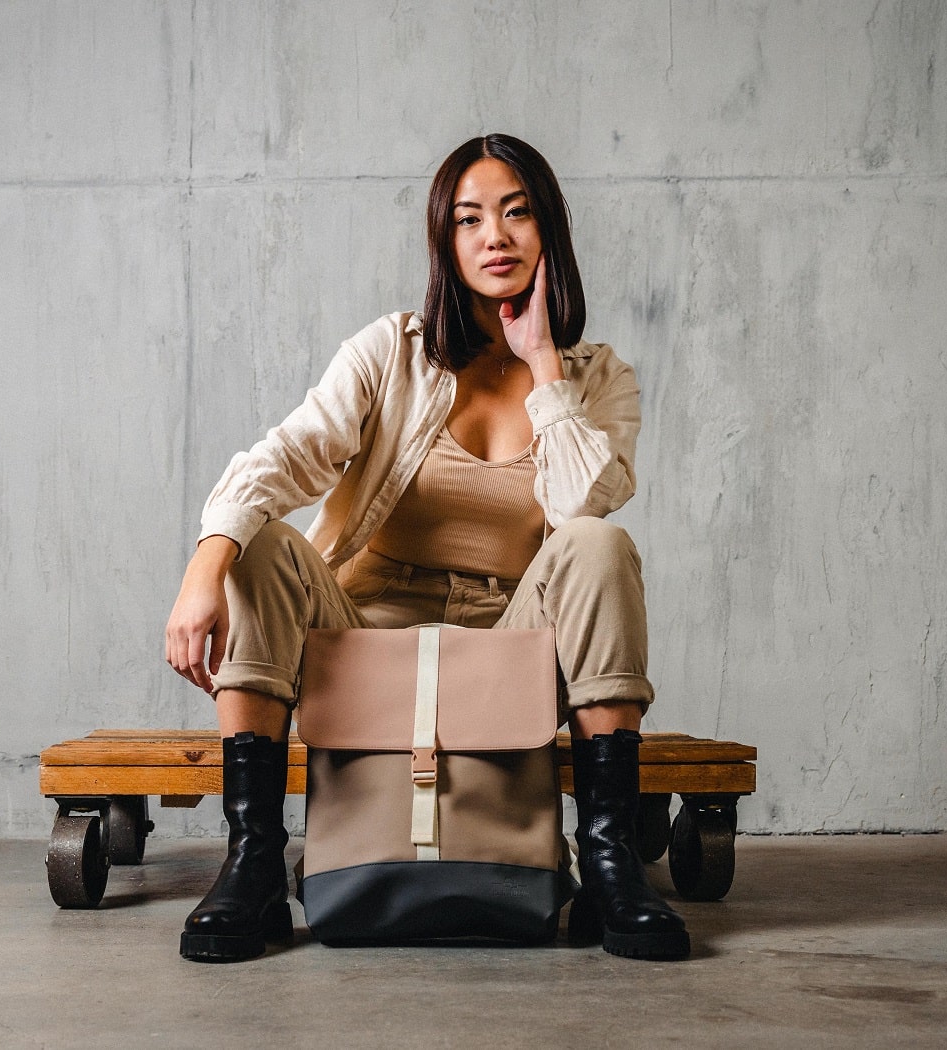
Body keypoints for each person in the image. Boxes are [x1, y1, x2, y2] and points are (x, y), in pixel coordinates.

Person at [165, 133, 689, 963]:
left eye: (517, 213)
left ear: (549, 230)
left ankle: (609, 866)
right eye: (470, 219)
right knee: (258, 545)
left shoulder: (597, 379)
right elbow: (287, 455)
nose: (496, 237)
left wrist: (543, 363)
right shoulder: (392, 353)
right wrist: (206, 566)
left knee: (599, 544)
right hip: (364, 638)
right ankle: (253, 862)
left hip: (510, 644)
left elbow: (584, 501)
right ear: (445, 241)